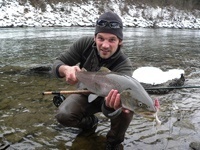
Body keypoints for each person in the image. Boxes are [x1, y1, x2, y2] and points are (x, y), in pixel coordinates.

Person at [52, 11, 134, 150]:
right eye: (101, 38)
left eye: (112, 40)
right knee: (63, 115)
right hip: (86, 91)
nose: (105, 45)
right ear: (94, 37)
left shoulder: (124, 65)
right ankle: (90, 123)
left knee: (126, 109)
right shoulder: (84, 44)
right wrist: (66, 70)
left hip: (107, 98)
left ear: (120, 41)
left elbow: (109, 111)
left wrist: (109, 107)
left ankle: (113, 142)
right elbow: (56, 64)